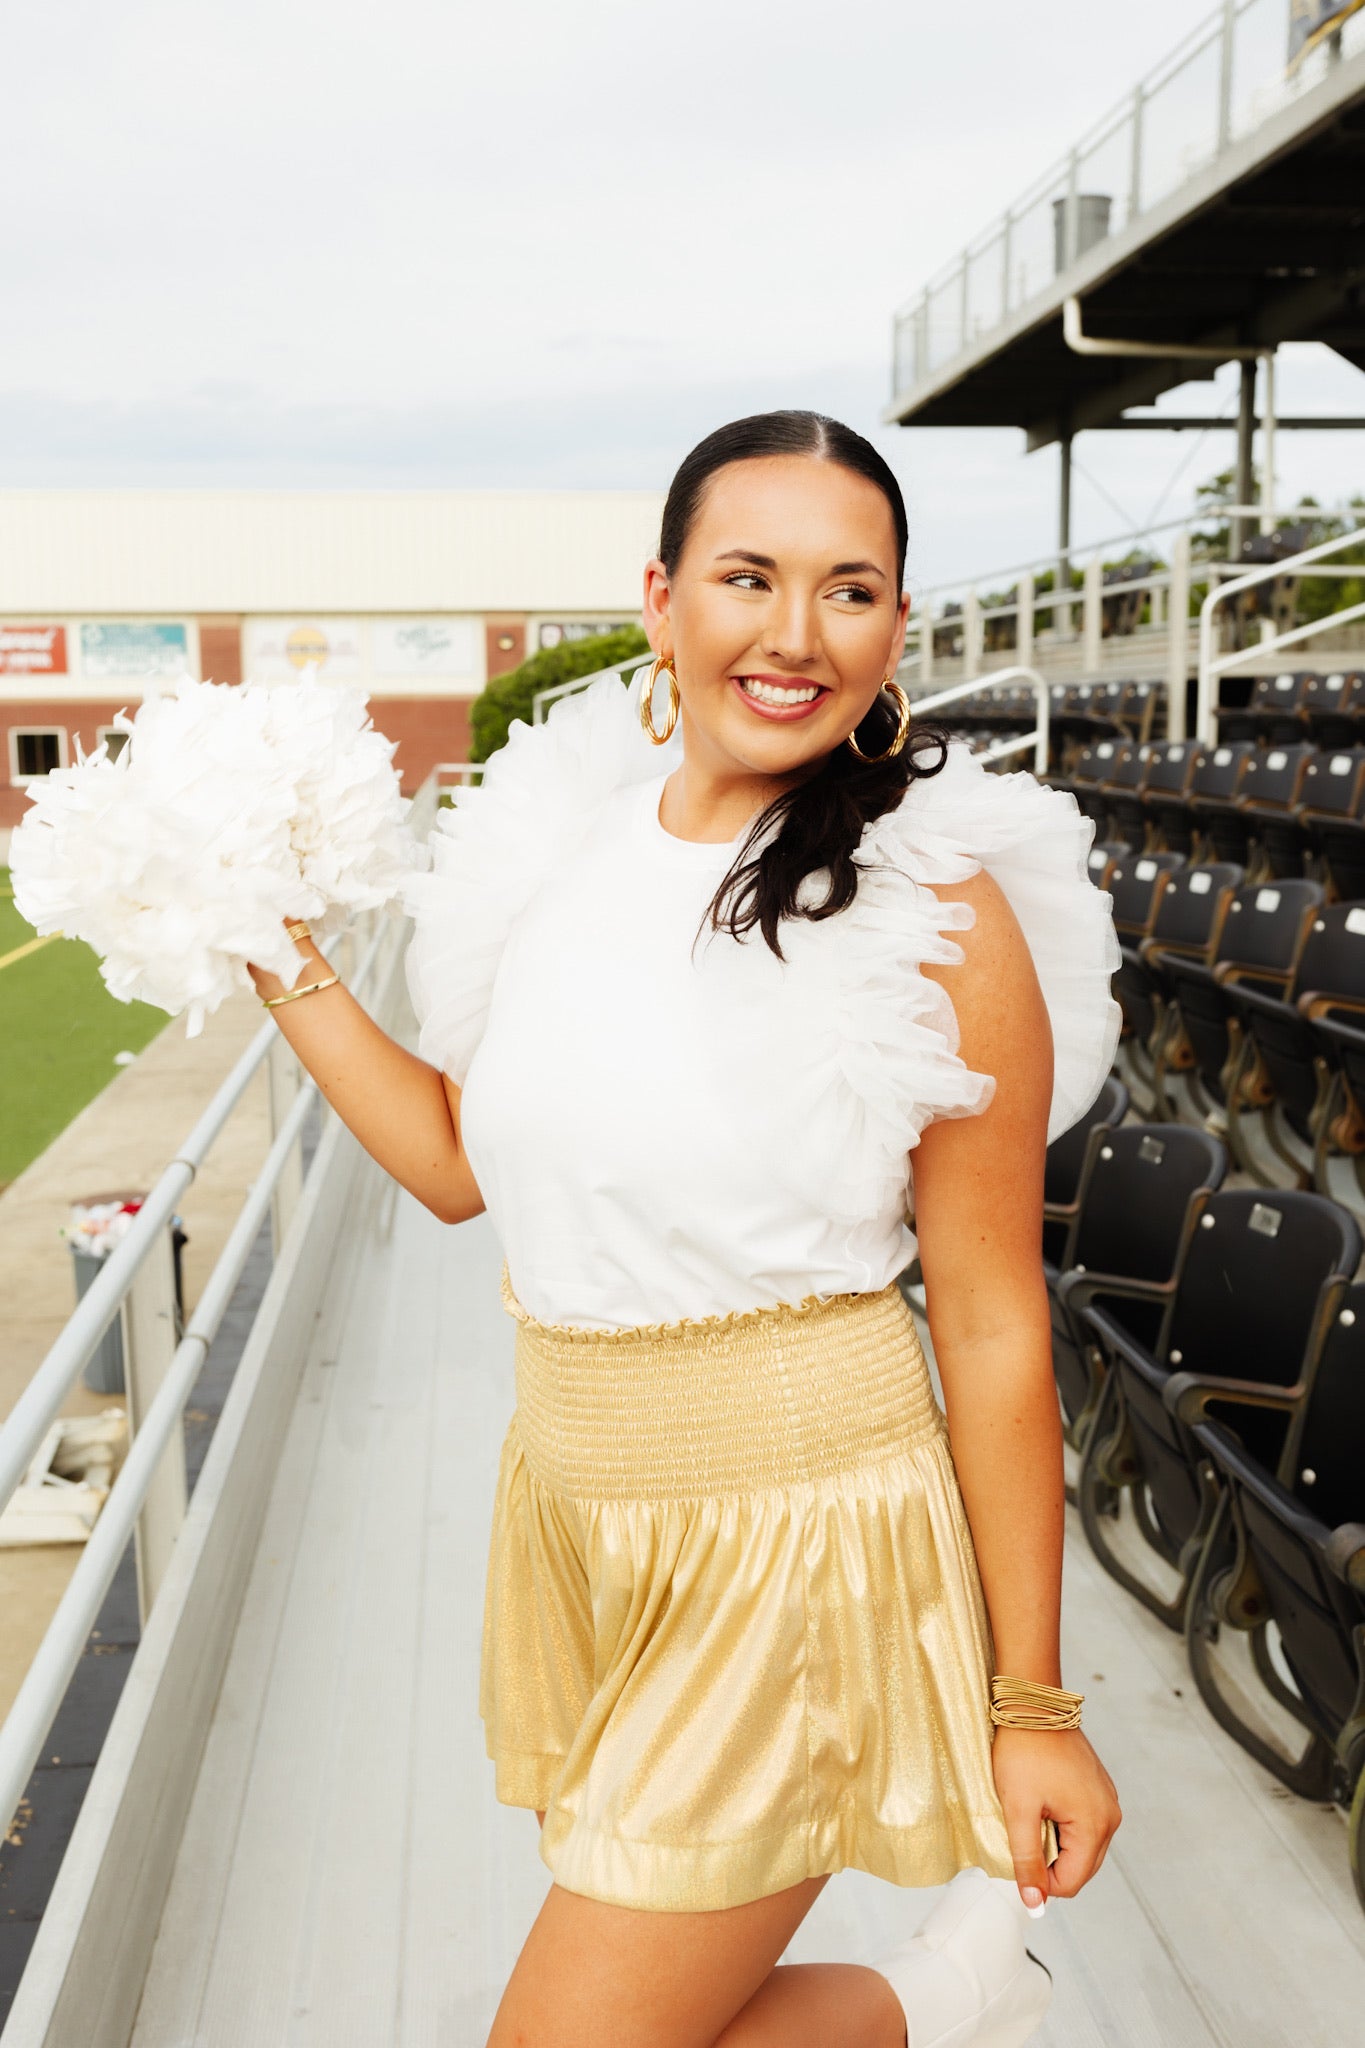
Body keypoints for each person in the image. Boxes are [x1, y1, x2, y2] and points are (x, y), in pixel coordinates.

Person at [248, 408, 1123, 2048]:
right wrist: (268, 949)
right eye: (747, 577)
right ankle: (947, 1997)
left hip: (798, 1533)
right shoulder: (557, 845)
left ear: (897, 630)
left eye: (847, 591)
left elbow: (995, 1327)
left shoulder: (935, 909)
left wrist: (1032, 1707)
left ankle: (939, 1992)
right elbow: (459, 1166)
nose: (794, 637)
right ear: (660, 600)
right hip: (588, 1509)